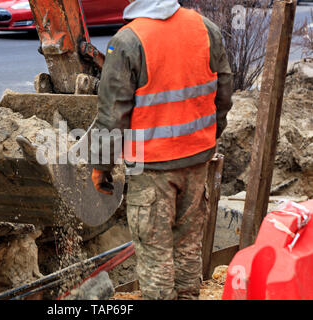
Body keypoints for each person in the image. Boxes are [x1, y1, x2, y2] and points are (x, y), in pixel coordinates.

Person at [91, 0, 233, 300]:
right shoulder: (205, 29)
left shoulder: (129, 41)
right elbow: (223, 92)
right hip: (197, 161)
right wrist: (209, 136)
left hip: (152, 168)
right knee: (187, 248)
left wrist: (102, 165)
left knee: (155, 256)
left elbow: (112, 115)